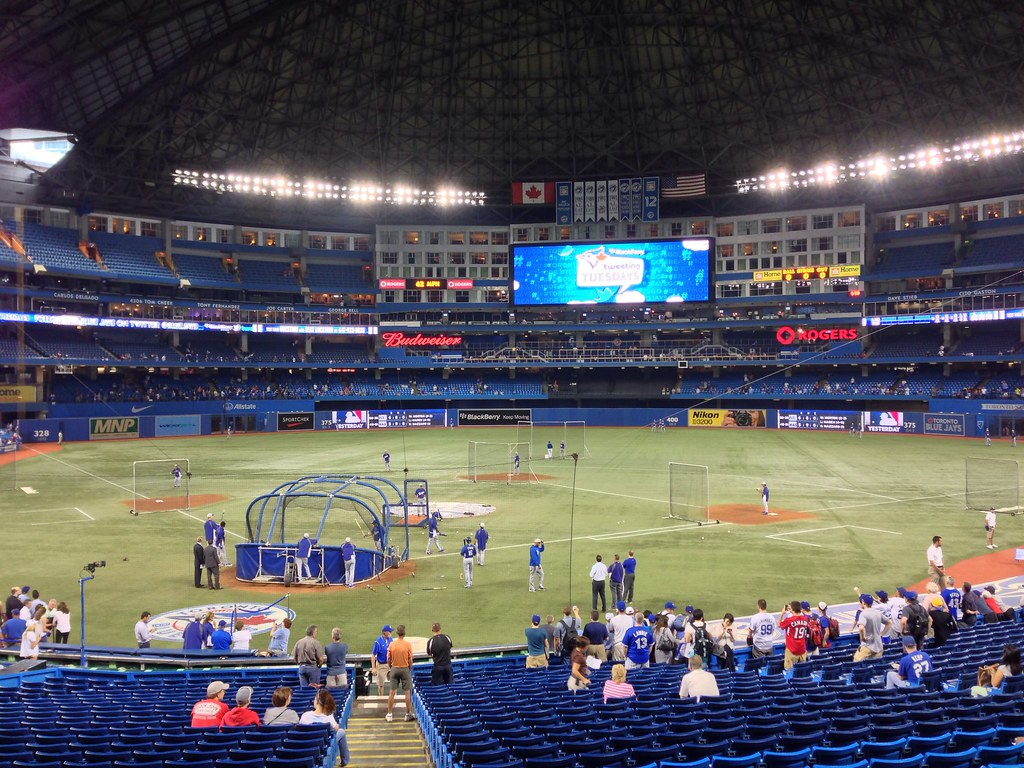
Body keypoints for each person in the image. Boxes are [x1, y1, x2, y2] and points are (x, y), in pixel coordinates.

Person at [300, 689, 350, 766]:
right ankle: (345, 760)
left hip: (307, 746)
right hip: (323, 748)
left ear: (316, 701)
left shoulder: (305, 716)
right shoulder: (328, 716)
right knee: (342, 732)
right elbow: (336, 729)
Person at [385, 625, 414, 722]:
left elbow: (388, 658)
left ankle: (389, 714)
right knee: (407, 692)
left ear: (397, 633)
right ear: (404, 633)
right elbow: (410, 659)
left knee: (392, 692)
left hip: (394, 668)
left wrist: (391, 667)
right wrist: (409, 668)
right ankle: (408, 714)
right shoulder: (407, 645)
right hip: (405, 668)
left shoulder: (392, 644)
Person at [853, 593, 889, 662]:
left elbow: (861, 628)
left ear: (863, 602)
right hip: (879, 644)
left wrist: (862, 638)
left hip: (868, 645)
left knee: (856, 660)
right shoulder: (877, 612)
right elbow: (889, 623)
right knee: (875, 664)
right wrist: (881, 634)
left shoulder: (863, 614)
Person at [778, 599, 810, 669]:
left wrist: (782, 613)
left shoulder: (790, 620)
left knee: (789, 672)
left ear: (792, 609)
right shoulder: (805, 619)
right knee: (802, 671)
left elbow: (779, 624)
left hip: (792, 650)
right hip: (802, 649)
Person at [371, 625, 394, 695]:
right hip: (381, 665)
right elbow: (373, 655)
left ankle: (394, 698)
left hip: (390, 664)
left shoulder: (391, 640)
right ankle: (381, 698)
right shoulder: (378, 642)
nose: (391, 633)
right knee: (381, 684)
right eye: (389, 631)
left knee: (394, 682)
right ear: (385, 632)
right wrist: (373, 668)